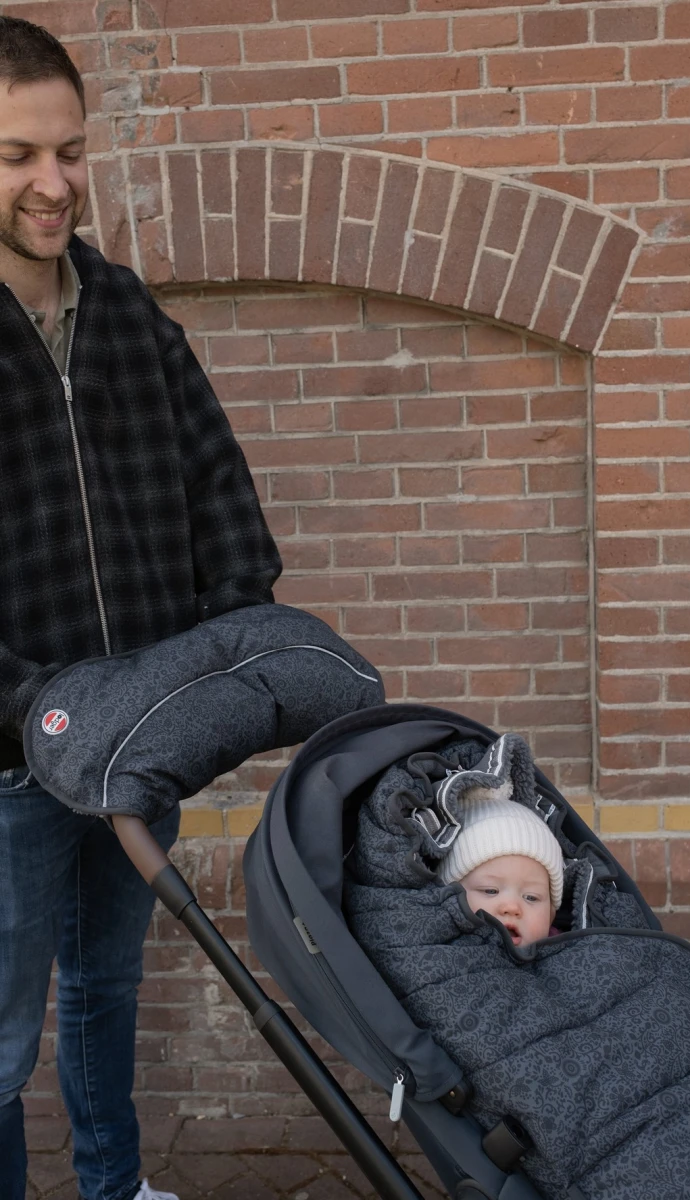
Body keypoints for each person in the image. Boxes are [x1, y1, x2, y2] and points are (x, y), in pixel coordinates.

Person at [0, 16, 282, 1200]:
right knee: (0, 1039)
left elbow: (220, 485)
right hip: (14, 764)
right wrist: (36, 708)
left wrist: (222, 643)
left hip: (138, 745)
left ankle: (112, 1190)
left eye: (70, 151)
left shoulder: (124, 310)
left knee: (107, 987)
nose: (53, 183)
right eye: (18, 155)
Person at [437, 793, 564, 946]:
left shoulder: (570, 953)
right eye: (490, 890)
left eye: (531, 897)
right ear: (448, 898)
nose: (512, 908)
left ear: (551, 915)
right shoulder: (429, 947)